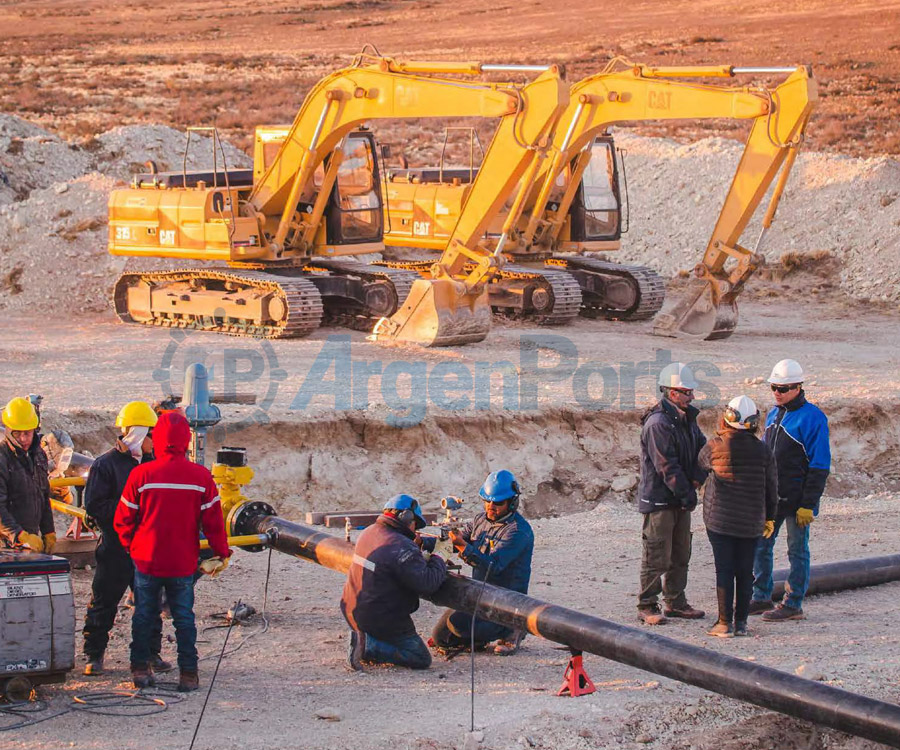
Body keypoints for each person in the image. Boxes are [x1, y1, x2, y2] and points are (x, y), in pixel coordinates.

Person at [114, 411, 231, 692]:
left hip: (147, 559)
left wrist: (132, 546)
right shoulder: (201, 477)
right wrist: (221, 552)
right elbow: (214, 522)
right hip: (182, 562)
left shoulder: (140, 475)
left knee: (144, 614)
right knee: (184, 618)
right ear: (186, 440)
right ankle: (188, 673)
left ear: (158, 439)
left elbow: (123, 519)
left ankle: (140, 669)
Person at [82, 401, 170, 676]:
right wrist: (131, 514)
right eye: (152, 434)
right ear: (138, 433)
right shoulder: (105, 465)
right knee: (104, 600)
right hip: (116, 547)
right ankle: (94, 655)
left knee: (150, 603)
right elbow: (95, 505)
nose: (155, 440)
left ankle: (150, 654)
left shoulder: (154, 464)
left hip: (146, 547)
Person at [751, 359, 830, 622]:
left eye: (783, 388)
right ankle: (760, 597)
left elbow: (819, 464)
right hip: (773, 498)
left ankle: (793, 603)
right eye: (774, 387)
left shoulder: (814, 418)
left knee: (797, 550)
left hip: (797, 500)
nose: (777, 392)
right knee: (761, 547)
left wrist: (808, 503)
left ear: (798, 387)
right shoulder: (774, 414)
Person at [431, 469, 534, 655]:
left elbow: (492, 567)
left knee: (460, 627)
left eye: (498, 503)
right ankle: (480, 637)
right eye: (487, 501)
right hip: (481, 595)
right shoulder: (480, 520)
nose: (491, 507)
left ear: (512, 503)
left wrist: (464, 548)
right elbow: (456, 542)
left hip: (506, 602)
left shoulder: (518, 531)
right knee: (441, 637)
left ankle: (513, 628)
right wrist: (425, 542)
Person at [698, 396, 777, 638]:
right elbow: (772, 488)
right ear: (754, 421)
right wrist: (770, 518)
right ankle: (741, 623)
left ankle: (723, 623)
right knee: (744, 571)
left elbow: (700, 467)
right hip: (751, 521)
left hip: (719, 520)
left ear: (728, 416)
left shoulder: (714, 445)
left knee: (725, 570)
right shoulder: (763, 450)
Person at [341, 494, 447, 670]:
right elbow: (428, 584)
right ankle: (368, 646)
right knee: (420, 657)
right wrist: (439, 560)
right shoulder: (401, 546)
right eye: (415, 524)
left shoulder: (369, 532)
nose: (415, 530)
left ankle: (365, 638)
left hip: (352, 611)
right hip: (380, 619)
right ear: (406, 517)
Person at [637, 363, 708, 625]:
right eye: (687, 392)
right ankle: (647, 604)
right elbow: (666, 465)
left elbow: (703, 450)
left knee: (680, 553)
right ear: (672, 392)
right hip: (660, 501)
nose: (692, 396)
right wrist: (688, 492)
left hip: (679, 498)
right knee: (657, 554)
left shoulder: (687, 419)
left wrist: (696, 480)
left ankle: (676, 601)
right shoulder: (658, 423)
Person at [0, 397, 55, 553]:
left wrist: (48, 530)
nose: (23, 439)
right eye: (17, 434)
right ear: (8, 430)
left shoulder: (39, 455)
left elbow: (43, 496)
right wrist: (19, 535)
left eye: (27, 433)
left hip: (30, 540)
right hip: (5, 544)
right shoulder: (2, 458)